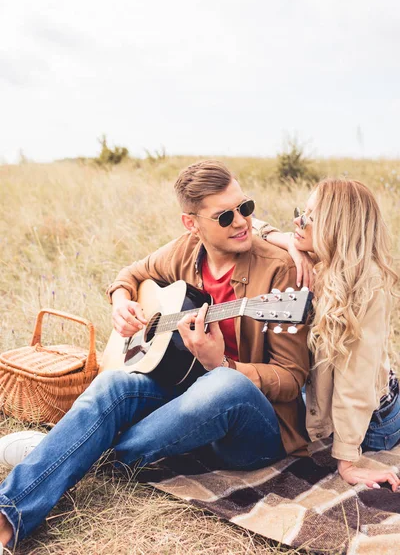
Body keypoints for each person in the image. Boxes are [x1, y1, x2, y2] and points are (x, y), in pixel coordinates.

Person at [0, 160, 310, 549]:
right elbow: (128, 274)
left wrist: (221, 363)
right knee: (114, 382)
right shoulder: (185, 251)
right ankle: (8, 516)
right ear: (191, 224)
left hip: (254, 430)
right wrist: (121, 303)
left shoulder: (279, 272)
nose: (241, 222)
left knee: (223, 384)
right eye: (225, 215)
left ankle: (77, 454)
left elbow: (291, 378)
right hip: (185, 400)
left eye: (245, 207)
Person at [261, 178, 400, 491]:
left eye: (312, 217)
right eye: (302, 211)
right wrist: (286, 242)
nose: (298, 221)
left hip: (374, 422)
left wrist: (348, 461)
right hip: (323, 399)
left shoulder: (367, 286)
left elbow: (357, 380)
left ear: (338, 229)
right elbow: (249, 225)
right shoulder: (319, 261)